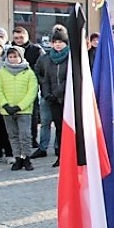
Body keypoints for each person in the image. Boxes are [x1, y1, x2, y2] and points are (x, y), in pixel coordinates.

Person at [0, 45, 38, 172]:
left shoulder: (28, 72)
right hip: (7, 110)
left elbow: (32, 91)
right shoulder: (2, 72)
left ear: (21, 57)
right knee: (12, 135)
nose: (13, 59)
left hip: (24, 110)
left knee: (25, 135)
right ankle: (17, 157)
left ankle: (26, 158)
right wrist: (5, 105)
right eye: (10, 57)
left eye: (15, 56)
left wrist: (20, 106)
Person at [35, 25, 69, 167]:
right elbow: (44, 76)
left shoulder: (71, 57)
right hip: (51, 99)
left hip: (66, 98)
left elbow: (69, 78)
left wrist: (56, 93)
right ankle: (60, 156)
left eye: (60, 42)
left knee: (66, 128)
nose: (57, 45)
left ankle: (67, 156)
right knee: (57, 128)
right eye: (55, 42)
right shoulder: (47, 58)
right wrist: (47, 93)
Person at [10, 26, 44, 147]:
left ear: (27, 36)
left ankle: (32, 139)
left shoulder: (36, 50)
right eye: (16, 38)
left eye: (21, 37)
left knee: (31, 115)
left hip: (30, 87)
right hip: (13, 88)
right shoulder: (9, 50)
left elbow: (42, 67)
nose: (18, 40)